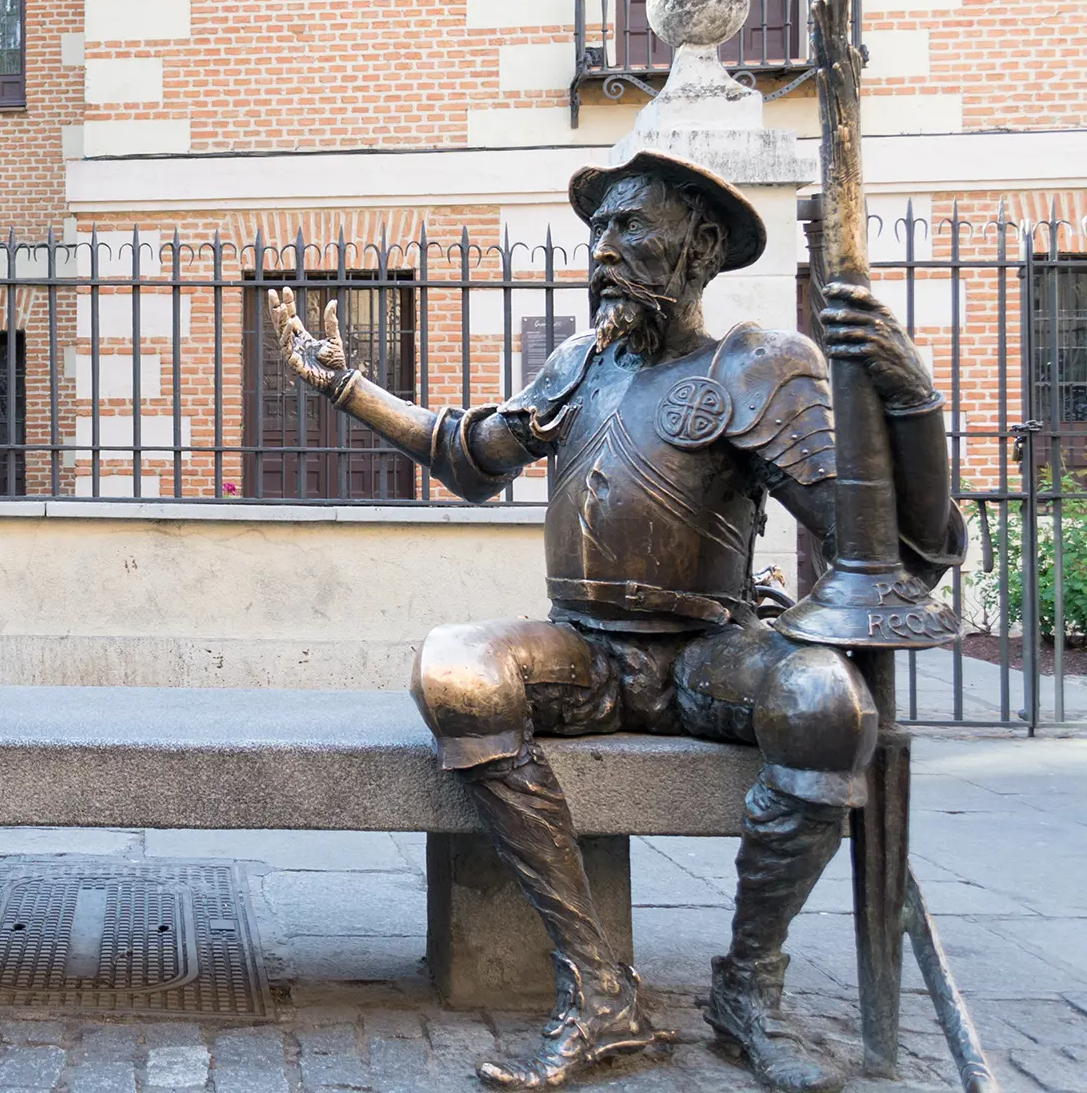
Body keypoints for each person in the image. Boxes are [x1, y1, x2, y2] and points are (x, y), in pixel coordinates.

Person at [268, 151, 962, 1092]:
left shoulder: (756, 366)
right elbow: (467, 457)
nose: (602, 248)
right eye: (599, 228)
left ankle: (748, 990)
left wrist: (911, 398)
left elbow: (894, 548)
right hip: (585, 653)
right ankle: (598, 991)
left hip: (708, 655)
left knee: (825, 701)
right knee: (455, 667)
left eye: (631, 226)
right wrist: (349, 389)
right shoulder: (578, 364)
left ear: (701, 245)